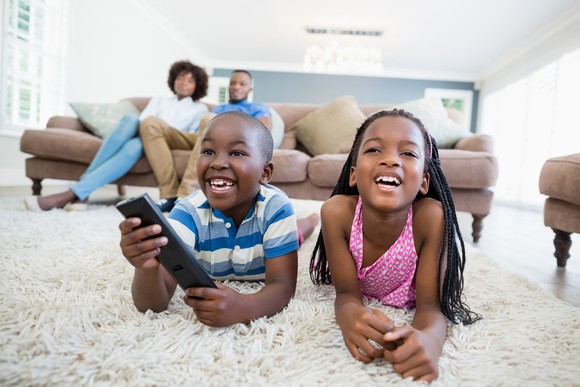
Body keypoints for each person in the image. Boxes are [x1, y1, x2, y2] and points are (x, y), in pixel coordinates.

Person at [309, 109, 480, 383]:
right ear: (353, 175)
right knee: (301, 232)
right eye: (374, 149)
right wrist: (349, 314)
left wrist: (429, 341)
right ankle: (305, 222)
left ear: (424, 181)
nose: (390, 160)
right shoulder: (336, 212)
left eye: (409, 153)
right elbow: (346, 294)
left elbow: (430, 308)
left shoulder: (430, 218)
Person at [119, 111, 318, 327]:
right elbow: (152, 305)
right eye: (208, 151)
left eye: (237, 153)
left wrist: (244, 307)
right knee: (293, 234)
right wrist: (146, 267)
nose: (217, 163)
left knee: (298, 233)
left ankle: (312, 219)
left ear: (265, 172)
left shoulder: (276, 207)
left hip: (270, 243)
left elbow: (283, 287)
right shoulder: (187, 212)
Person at [24, 60, 209, 212]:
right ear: (173, 80)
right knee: (131, 126)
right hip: (146, 133)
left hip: (165, 141)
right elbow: (144, 120)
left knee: (138, 137)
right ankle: (82, 192)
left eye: (189, 80)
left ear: (197, 86)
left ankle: (76, 191)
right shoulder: (159, 100)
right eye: (180, 78)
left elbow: (190, 136)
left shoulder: (199, 109)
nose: (183, 82)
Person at [141, 69, 272, 213]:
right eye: (233, 83)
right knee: (151, 122)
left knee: (211, 118)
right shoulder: (219, 108)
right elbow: (200, 130)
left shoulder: (257, 107)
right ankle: (169, 194)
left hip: (224, 142)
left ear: (250, 88)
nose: (236, 86)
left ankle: (184, 196)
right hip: (200, 138)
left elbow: (262, 133)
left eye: (242, 84)